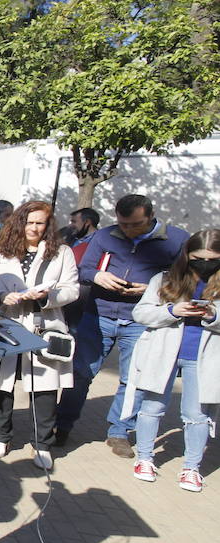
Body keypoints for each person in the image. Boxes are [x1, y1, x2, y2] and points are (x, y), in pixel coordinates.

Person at [54, 194, 188, 453]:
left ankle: (119, 432)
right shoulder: (105, 236)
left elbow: (182, 279)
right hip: (98, 315)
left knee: (132, 379)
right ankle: (62, 426)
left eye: (135, 224)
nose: (127, 230)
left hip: (140, 320)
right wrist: (98, 276)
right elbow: (82, 269)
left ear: (151, 216)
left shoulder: (177, 239)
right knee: (81, 374)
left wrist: (152, 289)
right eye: (123, 224)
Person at [0, 201, 80, 470]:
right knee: (4, 383)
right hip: (7, 321)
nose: (34, 228)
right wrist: (0, 296)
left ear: (48, 225)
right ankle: (1, 436)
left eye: (40, 223)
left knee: (44, 387)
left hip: (44, 322)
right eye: (29, 222)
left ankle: (42, 443)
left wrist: (48, 297)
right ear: (19, 222)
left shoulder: (62, 253)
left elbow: (72, 289)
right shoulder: (0, 251)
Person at [123, 230, 220, 492]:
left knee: (197, 414)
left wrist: (213, 315)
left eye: (213, 259)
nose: (205, 264)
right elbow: (141, 313)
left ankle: (191, 468)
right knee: (152, 406)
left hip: (203, 357)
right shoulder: (165, 279)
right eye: (199, 258)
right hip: (163, 352)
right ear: (187, 255)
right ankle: (145, 458)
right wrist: (171, 311)